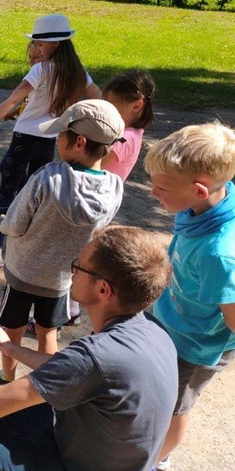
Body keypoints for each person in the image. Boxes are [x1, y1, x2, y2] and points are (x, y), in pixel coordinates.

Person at [0, 225, 178, 471]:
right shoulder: (151, 331)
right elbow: (70, 369)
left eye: (79, 266)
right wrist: (11, 349)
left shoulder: (99, 356)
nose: (72, 271)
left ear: (103, 289)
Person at [142, 122, 235, 471]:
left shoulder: (219, 252)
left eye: (161, 188)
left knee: (175, 406)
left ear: (199, 189)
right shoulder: (213, 200)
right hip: (176, 317)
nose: (152, 192)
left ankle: (155, 461)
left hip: (196, 345)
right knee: (157, 390)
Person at [0, 99, 123, 378]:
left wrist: (4, 224)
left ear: (78, 142)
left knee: (12, 331)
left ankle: (6, 380)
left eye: (60, 135)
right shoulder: (114, 187)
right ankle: (47, 385)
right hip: (62, 279)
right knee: (48, 331)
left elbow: (15, 224)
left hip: (23, 272)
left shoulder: (47, 177)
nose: (56, 141)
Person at [0, 13, 102, 273]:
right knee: (35, 193)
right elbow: (98, 97)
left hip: (24, 138)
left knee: (6, 194)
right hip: (50, 139)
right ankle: (27, 244)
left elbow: (12, 100)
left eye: (41, 44)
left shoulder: (40, 69)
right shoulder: (78, 72)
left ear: (57, 44)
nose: (37, 49)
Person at [62, 70, 156, 324]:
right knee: (78, 251)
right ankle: (69, 310)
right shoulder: (127, 129)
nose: (107, 110)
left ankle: (67, 311)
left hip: (93, 200)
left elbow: (94, 161)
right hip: (97, 198)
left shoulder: (124, 139)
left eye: (112, 106)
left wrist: (73, 146)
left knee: (76, 254)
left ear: (137, 105)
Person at [101, 70, 156, 181]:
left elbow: (94, 164)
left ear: (136, 106)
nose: (104, 109)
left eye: (112, 105)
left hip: (96, 195)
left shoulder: (126, 138)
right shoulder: (123, 132)